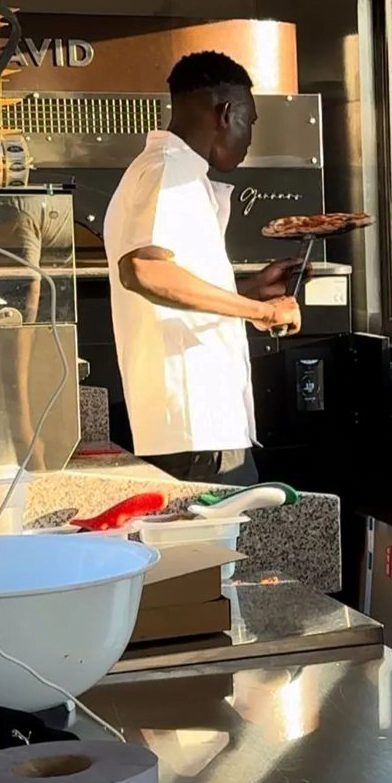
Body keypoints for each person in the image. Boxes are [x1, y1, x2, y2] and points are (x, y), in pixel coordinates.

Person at [103, 51, 301, 484]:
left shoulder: (175, 172)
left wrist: (247, 291)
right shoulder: (168, 171)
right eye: (249, 121)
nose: (249, 138)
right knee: (223, 530)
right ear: (225, 113)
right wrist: (263, 312)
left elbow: (171, 288)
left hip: (199, 426)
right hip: (197, 426)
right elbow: (143, 270)